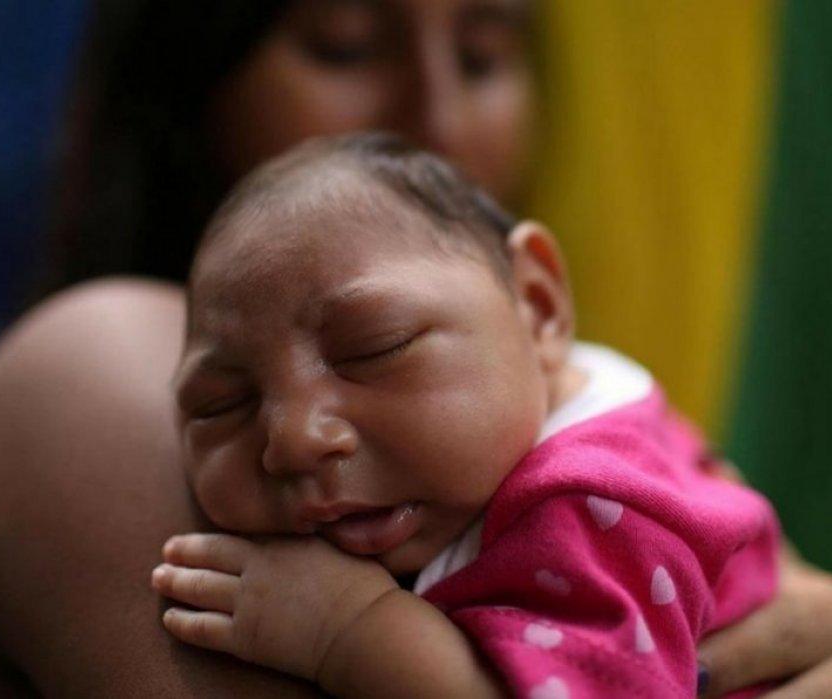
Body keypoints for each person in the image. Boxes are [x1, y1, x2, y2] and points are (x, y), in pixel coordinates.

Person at [0, 1, 832, 696]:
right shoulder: (89, 373)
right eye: (343, 44)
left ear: (540, 303)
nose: (438, 121)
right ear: (185, 74)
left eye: (482, 53)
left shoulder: (589, 474)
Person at [150, 133, 780, 698]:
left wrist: (348, 629)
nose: (291, 439)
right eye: (221, 405)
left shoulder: (590, 504)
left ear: (536, 306)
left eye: (375, 349)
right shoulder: (570, 381)